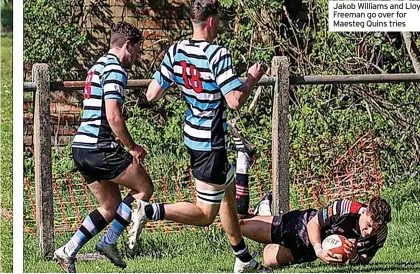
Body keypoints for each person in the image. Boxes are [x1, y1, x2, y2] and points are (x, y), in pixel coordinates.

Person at [142, 0, 268, 272]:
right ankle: (149, 211)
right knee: (204, 214)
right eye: (219, 20)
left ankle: (243, 258)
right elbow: (234, 100)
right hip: (211, 141)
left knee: (227, 194)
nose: (220, 25)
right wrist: (252, 78)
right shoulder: (218, 54)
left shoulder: (175, 51)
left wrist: (184, 86)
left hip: (192, 136)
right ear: (211, 21)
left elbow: (151, 94)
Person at [53, 22, 153, 273]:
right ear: (127, 45)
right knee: (144, 187)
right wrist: (132, 147)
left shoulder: (97, 65)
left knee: (109, 206)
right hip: (99, 148)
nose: (137, 56)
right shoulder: (116, 69)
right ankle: (109, 242)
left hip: (81, 148)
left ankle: (67, 251)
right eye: (138, 50)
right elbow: (114, 116)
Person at [240, 192, 392, 268]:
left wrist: (353, 256)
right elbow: (314, 224)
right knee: (241, 223)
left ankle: (265, 214)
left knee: (268, 259)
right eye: (369, 224)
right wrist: (319, 250)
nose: (370, 231)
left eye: (376, 228)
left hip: (312, 251)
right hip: (303, 226)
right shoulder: (345, 208)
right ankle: (262, 212)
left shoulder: (381, 234)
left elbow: (364, 261)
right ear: (365, 212)